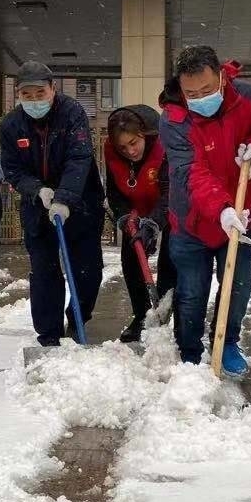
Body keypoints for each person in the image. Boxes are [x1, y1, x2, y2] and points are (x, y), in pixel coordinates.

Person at [161, 46, 251, 377]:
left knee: (240, 283)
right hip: (192, 222)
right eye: (191, 93)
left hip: (240, 218)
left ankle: (225, 342)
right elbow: (191, 173)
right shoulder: (174, 118)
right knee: (192, 292)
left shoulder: (249, 98)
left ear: (222, 77)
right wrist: (222, 209)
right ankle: (189, 353)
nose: (199, 98)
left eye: (207, 90)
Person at [0, 60, 105, 347]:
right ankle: (49, 334)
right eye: (26, 95)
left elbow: (79, 157)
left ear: (52, 89)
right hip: (37, 207)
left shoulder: (72, 113)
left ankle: (78, 317)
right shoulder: (11, 125)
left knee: (88, 270)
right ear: (18, 95)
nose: (34, 101)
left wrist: (65, 198)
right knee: (45, 271)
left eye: (40, 93)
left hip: (81, 202)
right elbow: (12, 169)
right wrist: (38, 190)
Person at [104, 100, 174, 343]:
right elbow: (113, 192)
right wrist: (124, 216)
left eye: (133, 143)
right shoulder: (112, 152)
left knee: (171, 259)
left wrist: (154, 224)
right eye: (123, 148)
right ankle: (142, 315)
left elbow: (170, 193)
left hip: (168, 210)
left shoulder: (164, 147)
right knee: (131, 259)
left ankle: (165, 314)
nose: (130, 151)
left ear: (145, 134)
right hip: (135, 209)